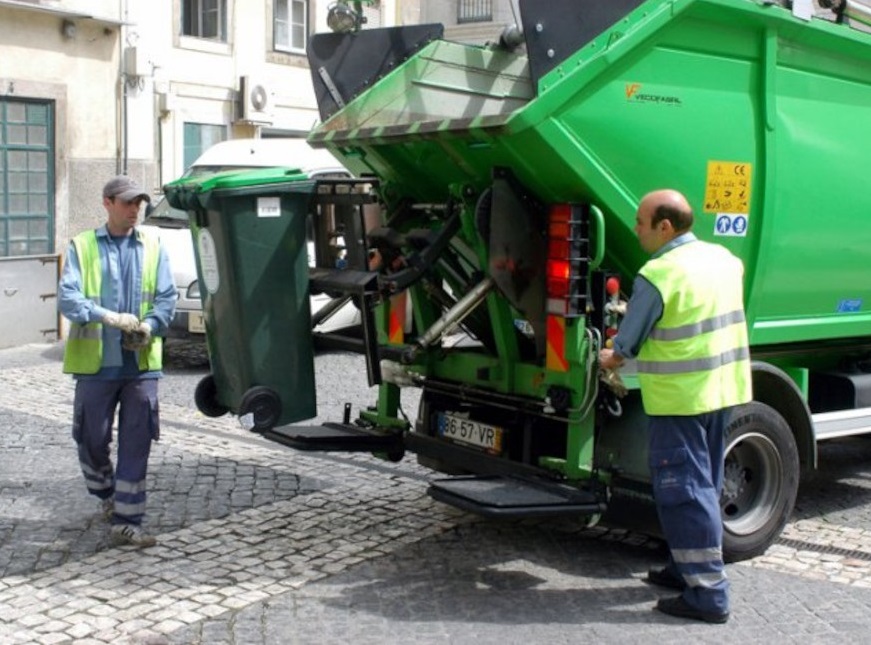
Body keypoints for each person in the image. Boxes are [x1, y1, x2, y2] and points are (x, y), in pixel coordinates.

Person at [599, 189, 751, 624]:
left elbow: (626, 344)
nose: (635, 229)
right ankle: (687, 568)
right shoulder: (724, 259)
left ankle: (708, 595)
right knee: (706, 485)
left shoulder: (659, 273)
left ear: (665, 227)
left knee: (685, 494)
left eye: (641, 222)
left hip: (681, 398)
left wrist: (607, 358)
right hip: (721, 391)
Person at [58, 175, 177, 548]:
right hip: (97, 365)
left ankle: (128, 520)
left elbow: (167, 297)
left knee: (136, 442)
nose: (134, 210)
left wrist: (150, 324)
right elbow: (68, 298)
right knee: (91, 439)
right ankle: (106, 492)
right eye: (127, 203)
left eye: (138, 203)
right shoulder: (83, 246)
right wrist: (106, 316)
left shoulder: (154, 246)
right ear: (107, 203)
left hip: (141, 367)